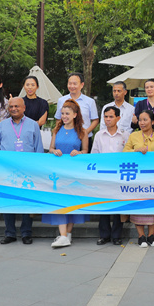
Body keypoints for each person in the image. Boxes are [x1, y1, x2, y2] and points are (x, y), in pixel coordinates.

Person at [0, 97, 44, 245]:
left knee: (27, 201)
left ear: (24, 108)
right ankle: (10, 233)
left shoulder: (33, 125)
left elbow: (38, 148)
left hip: (28, 170)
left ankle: (26, 233)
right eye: (11, 106)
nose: (14, 109)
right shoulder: (2, 125)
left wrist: (38, 169)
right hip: (7, 170)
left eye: (17, 106)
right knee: (8, 201)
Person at [43, 99, 89, 248]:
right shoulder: (56, 130)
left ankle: (67, 234)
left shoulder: (82, 132)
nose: (64, 116)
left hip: (74, 172)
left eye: (67, 113)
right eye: (62, 113)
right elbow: (50, 148)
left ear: (75, 115)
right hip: (58, 172)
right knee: (59, 201)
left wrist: (79, 153)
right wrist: (54, 151)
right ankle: (62, 235)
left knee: (72, 202)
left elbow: (86, 151)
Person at [123, 110, 154, 247]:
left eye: (145, 120)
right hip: (138, 176)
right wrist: (135, 150)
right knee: (139, 206)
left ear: (152, 122)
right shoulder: (133, 136)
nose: (142, 123)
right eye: (140, 120)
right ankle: (141, 236)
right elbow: (124, 152)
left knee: (153, 205)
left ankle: (151, 235)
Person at [91, 107, 127, 245]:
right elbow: (94, 155)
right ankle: (104, 235)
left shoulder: (125, 135)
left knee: (118, 205)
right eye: (105, 116)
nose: (108, 119)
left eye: (111, 117)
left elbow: (129, 154)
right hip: (103, 175)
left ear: (118, 118)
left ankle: (117, 235)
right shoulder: (99, 135)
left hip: (119, 175)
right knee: (103, 205)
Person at [55, 72, 100, 137]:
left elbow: (95, 120)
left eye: (75, 84)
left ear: (82, 85)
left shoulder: (90, 101)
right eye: (70, 83)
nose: (72, 86)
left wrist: (85, 132)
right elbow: (58, 119)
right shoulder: (61, 100)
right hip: (66, 137)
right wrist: (60, 132)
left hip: (84, 137)